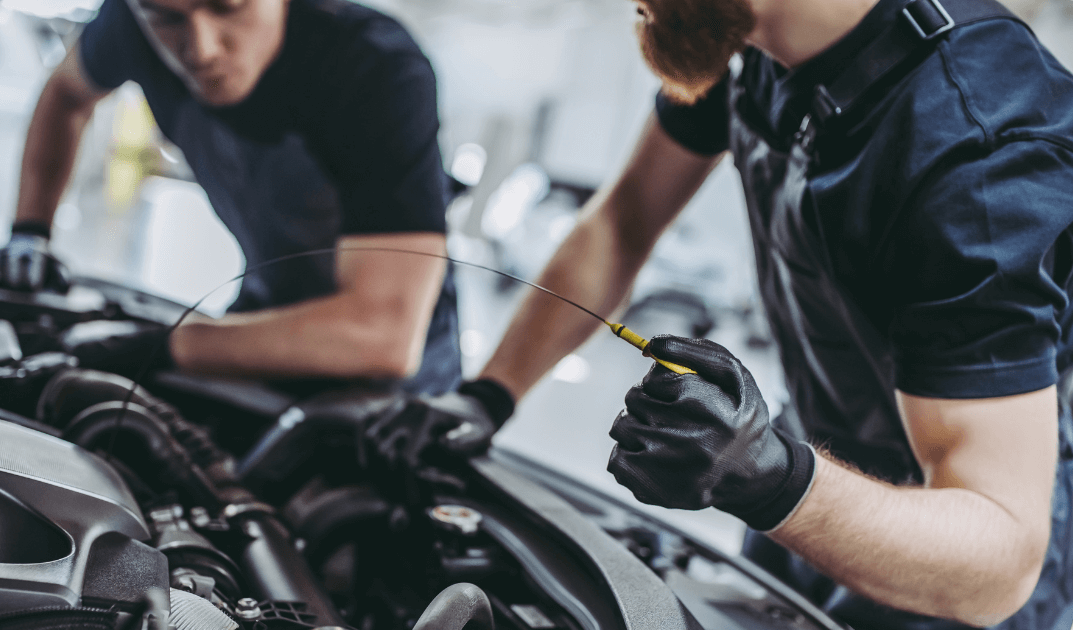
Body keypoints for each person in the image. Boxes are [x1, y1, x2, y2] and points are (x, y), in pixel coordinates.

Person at [382, 0, 1073, 625]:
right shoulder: (745, 36)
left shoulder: (974, 149)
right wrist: (487, 394)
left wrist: (772, 475)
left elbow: (1000, 560)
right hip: (810, 462)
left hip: (938, 547)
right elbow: (621, 222)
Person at [0, 0, 463, 397]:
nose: (201, 49)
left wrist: (163, 347)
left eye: (228, 7)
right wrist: (30, 232)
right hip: (261, 316)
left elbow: (382, 334)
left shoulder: (375, 69)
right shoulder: (134, 21)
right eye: (167, 18)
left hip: (394, 380)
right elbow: (66, 93)